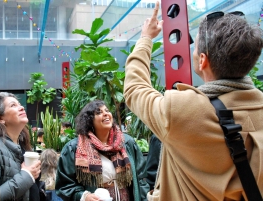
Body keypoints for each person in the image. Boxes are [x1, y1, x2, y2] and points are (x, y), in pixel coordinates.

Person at [124, 1, 263, 200]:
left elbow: (135, 88)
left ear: (202, 60)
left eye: (195, 46)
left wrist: (146, 38)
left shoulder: (182, 111)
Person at [55, 100, 149, 201]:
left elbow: (141, 178)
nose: (106, 114)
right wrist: (83, 196)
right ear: (89, 120)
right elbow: (64, 185)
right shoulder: (73, 148)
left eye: (107, 111)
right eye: (99, 112)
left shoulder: (127, 143)